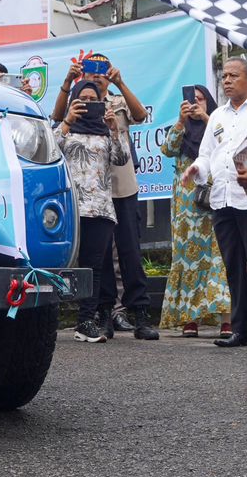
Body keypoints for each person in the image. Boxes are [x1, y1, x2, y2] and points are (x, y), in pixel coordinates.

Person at [50, 54, 157, 341]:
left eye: (102, 70)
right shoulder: (76, 105)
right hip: (90, 197)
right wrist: (68, 85)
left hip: (122, 187)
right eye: (89, 70)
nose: (96, 76)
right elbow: (57, 122)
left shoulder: (116, 103)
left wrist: (119, 84)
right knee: (100, 259)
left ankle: (141, 314)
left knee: (131, 253)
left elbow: (139, 117)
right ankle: (104, 313)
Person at [182, 59, 247, 348]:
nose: (226, 81)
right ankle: (241, 328)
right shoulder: (218, 116)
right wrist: (197, 169)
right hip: (222, 199)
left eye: (234, 76)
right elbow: (207, 153)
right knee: (233, 265)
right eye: (224, 77)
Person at [57, 79, 129, 343]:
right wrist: (66, 121)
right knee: (61, 264)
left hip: (99, 208)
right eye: (82, 99)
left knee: (93, 267)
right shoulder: (66, 130)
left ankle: (85, 321)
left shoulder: (104, 131)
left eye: (92, 99)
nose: (87, 103)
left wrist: (114, 130)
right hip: (70, 207)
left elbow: (121, 159)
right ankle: (47, 317)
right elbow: (50, 150)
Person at [157, 84, 231, 336]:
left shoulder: (218, 122)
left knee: (219, 258)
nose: (196, 103)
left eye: (201, 99)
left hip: (216, 198)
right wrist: (181, 120)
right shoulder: (181, 128)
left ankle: (227, 320)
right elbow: (167, 149)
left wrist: (207, 120)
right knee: (188, 260)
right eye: (192, 100)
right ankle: (190, 319)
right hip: (187, 206)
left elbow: (228, 143)